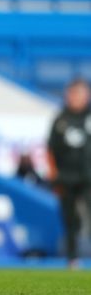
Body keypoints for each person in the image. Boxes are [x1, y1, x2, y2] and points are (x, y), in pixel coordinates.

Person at [47, 79, 91, 269]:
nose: (76, 98)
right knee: (70, 219)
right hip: (66, 178)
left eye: (80, 94)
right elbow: (50, 149)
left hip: (88, 177)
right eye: (73, 94)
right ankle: (73, 259)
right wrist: (54, 174)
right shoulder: (60, 119)